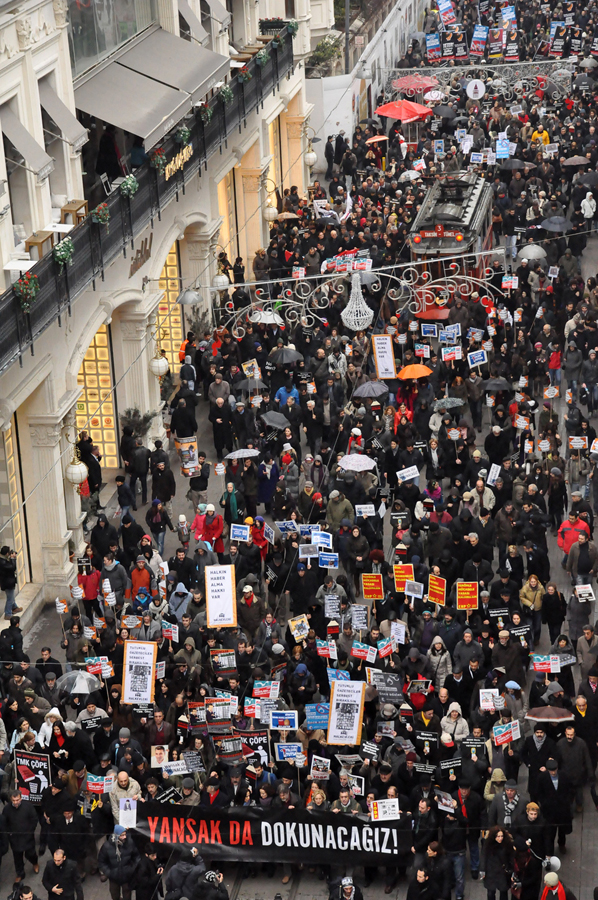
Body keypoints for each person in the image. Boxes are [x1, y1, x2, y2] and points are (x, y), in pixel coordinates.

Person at [1, 788, 39, 880]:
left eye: (17, 800)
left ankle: (35, 863)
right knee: (17, 857)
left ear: (21, 798)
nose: (16, 802)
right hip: (15, 838)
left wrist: (30, 831)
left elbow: (34, 819)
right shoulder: (7, 809)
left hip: (27, 836)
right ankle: (20, 873)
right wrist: (9, 833)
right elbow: (4, 822)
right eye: (13, 800)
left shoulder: (28, 806)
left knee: (31, 854)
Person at [98, 825, 140, 900]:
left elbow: (136, 857)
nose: (125, 837)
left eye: (125, 834)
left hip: (126, 877)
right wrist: (109, 873)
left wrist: (131, 869)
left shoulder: (130, 843)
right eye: (122, 835)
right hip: (114, 877)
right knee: (115, 896)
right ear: (116, 835)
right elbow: (101, 861)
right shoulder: (107, 846)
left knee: (127, 896)